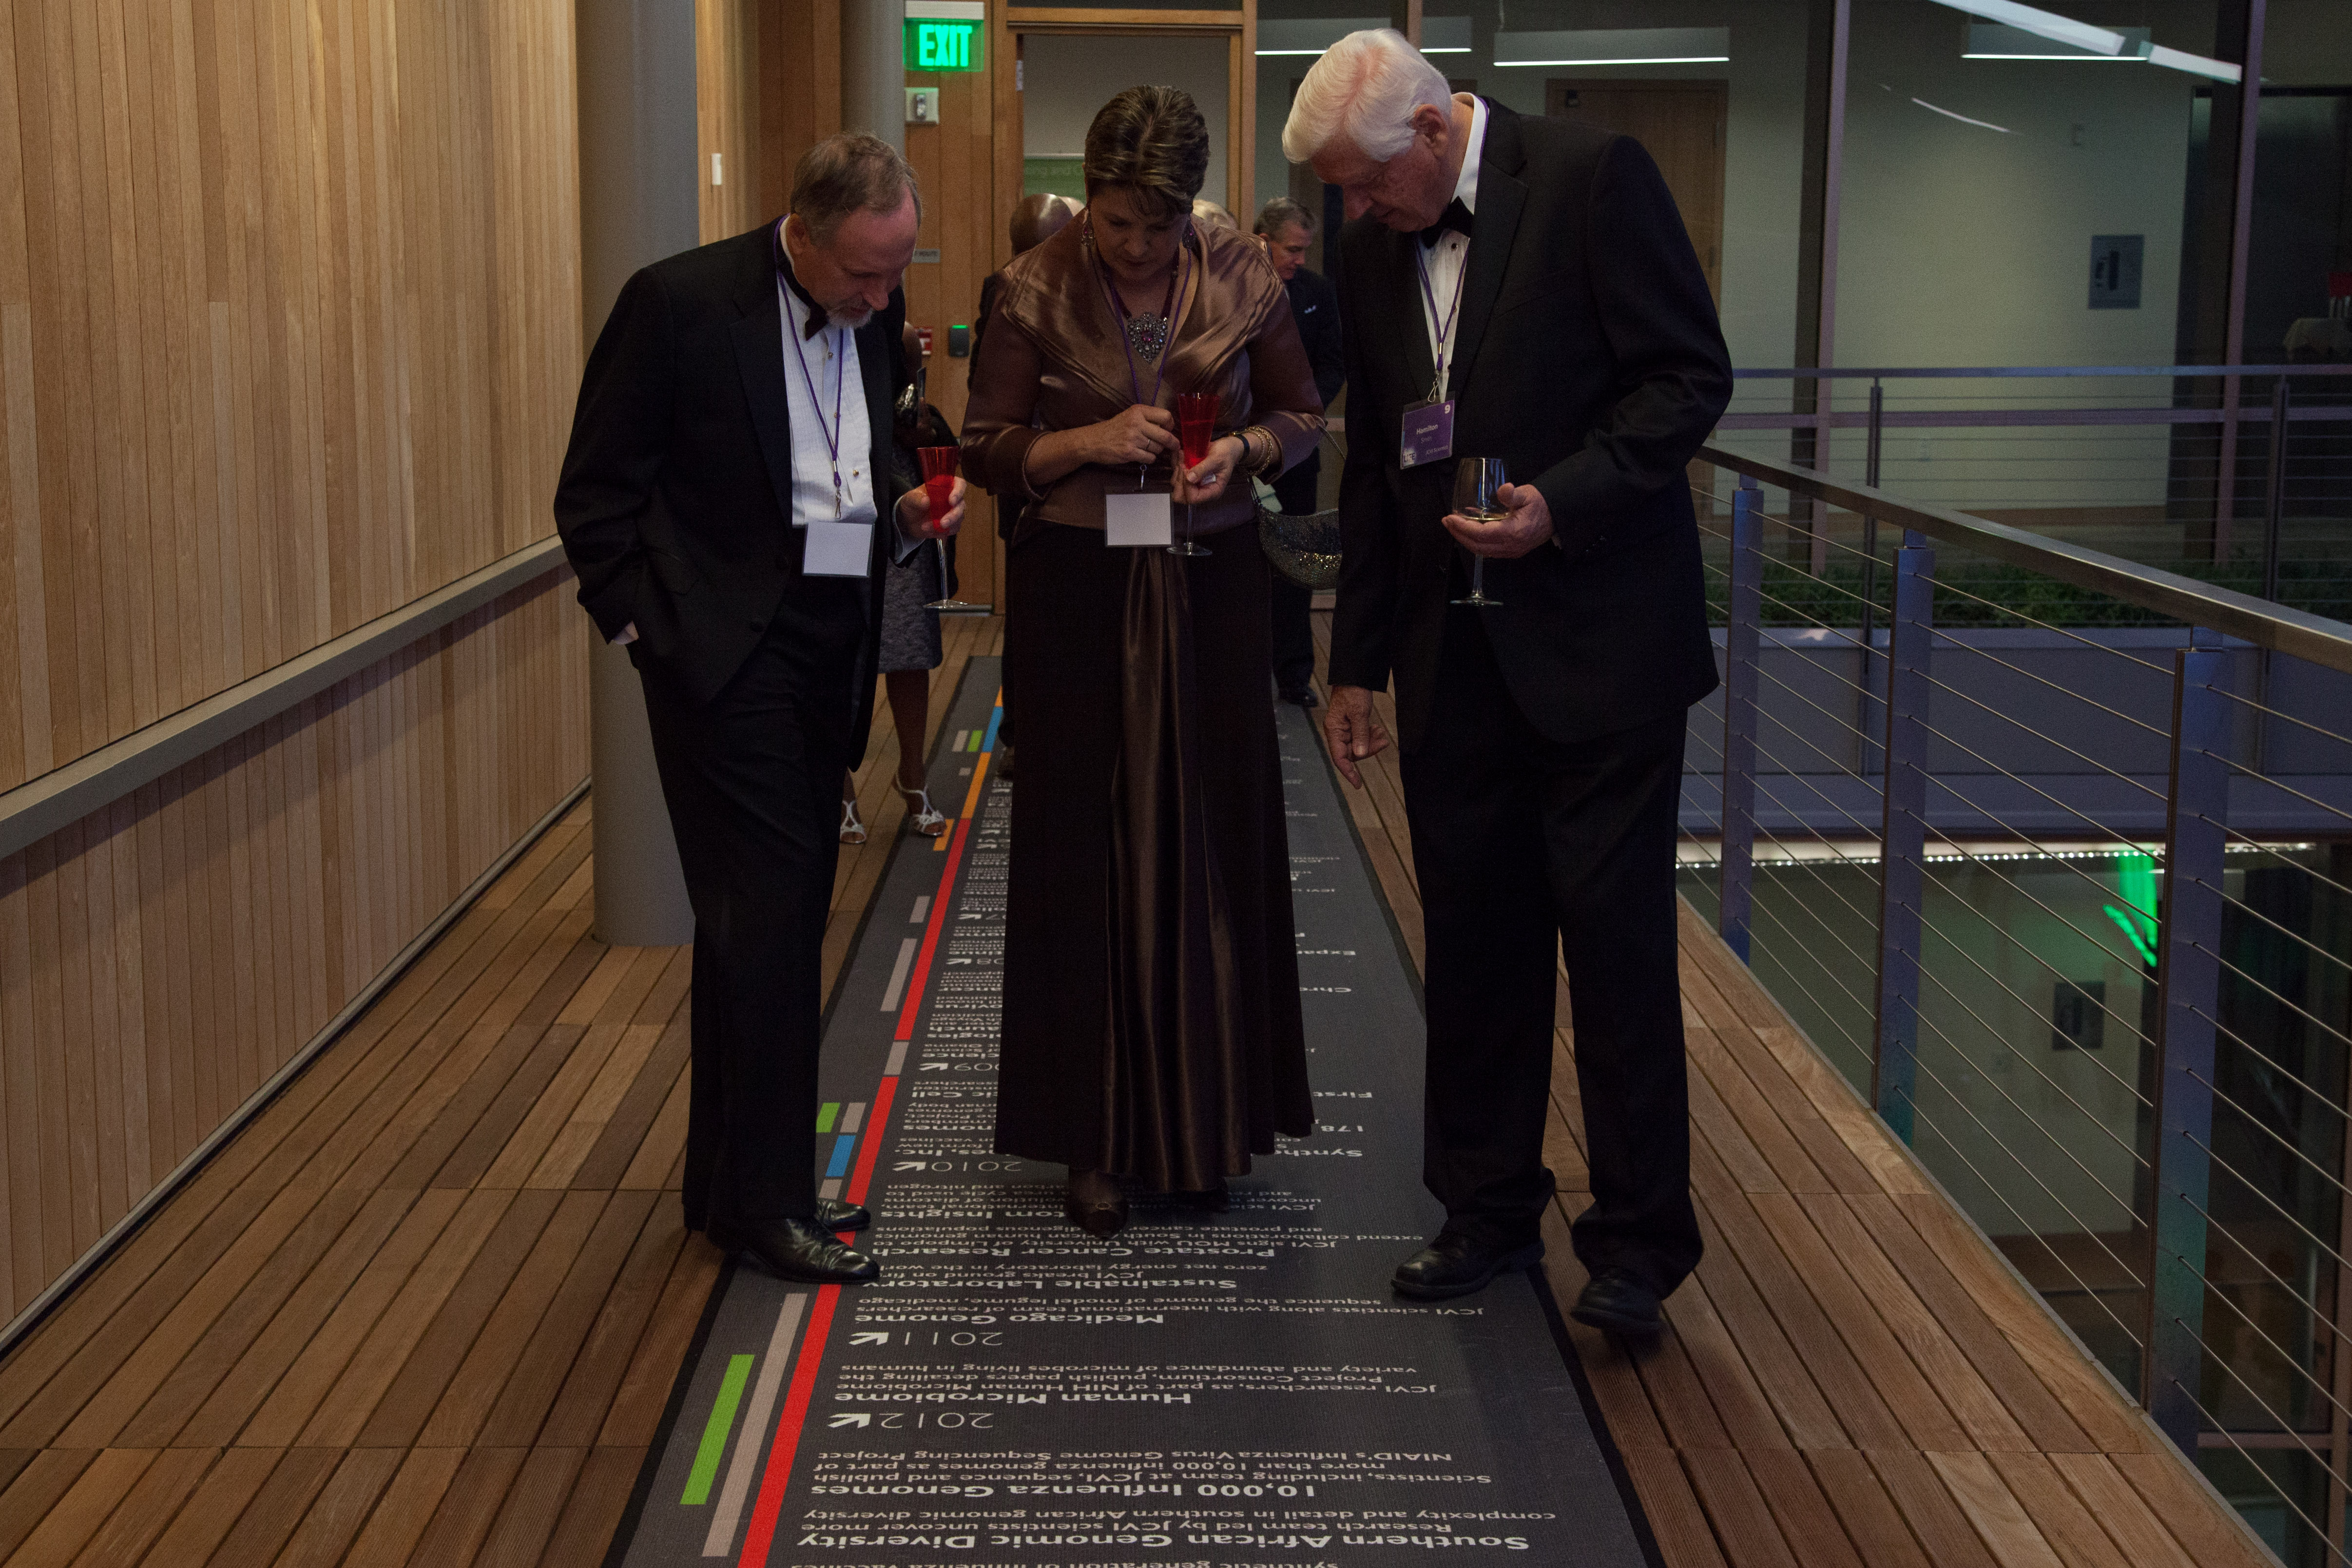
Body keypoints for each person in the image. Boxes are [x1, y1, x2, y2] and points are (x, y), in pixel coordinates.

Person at [1283, 31, 1731, 1330]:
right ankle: (1485, 1210)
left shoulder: (1596, 178)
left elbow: (1686, 378)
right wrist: (1354, 659)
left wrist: (1561, 504)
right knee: (1475, 947)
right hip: (1449, 651)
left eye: (1364, 187)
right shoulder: (1374, 249)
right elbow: (1374, 463)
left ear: (1430, 135)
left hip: (1601, 646)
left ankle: (1641, 1243)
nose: (1353, 217)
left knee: (1617, 952)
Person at [554, 134, 968, 1285]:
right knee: (774, 923)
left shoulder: (873, 315)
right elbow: (593, 497)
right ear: (801, 227)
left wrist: (905, 512)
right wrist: (649, 639)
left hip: (828, 645)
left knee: (757, 924)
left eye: (894, 274)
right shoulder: (677, 305)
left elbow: (864, 459)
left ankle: (727, 1183)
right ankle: (774, 1202)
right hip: (718, 661)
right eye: (863, 275)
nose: (882, 298)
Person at [962, 86, 1324, 1238]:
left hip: (1213, 583)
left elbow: (1302, 412)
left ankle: (1205, 1130)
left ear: (1187, 210)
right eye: (1116, 222)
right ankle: (1094, 1143)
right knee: (1085, 849)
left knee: (1215, 839)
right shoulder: (1032, 286)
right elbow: (984, 447)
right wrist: (1084, 440)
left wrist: (1247, 454)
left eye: (1154, 227)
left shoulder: (1241, 273)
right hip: (1077, 589)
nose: (1131, 246)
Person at [971, 192, 1078, 780]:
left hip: (1083, 478)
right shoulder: (1005, 288)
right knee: (1028, 609)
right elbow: (986, 391)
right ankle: (1018, 733)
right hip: (1026, 478)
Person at [842, 323, 961, 845]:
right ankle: (839, 786)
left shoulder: (904, 345)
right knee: (843, 653)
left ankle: (912, 776)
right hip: (842, 509)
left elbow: (943, 443)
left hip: (902, 506)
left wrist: (924, 427)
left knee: (909, 651)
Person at [1254, 196, 1345, 707]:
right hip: (1242, 450)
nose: (1300, 259)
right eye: (1292, 249)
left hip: (1296, 452)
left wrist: (1308, 409)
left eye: (1305, 249)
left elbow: (1334, 360)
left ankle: (1293, 674)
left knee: (1295, 559)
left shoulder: (1315, 293)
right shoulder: (1235, 288)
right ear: (1262, 240)